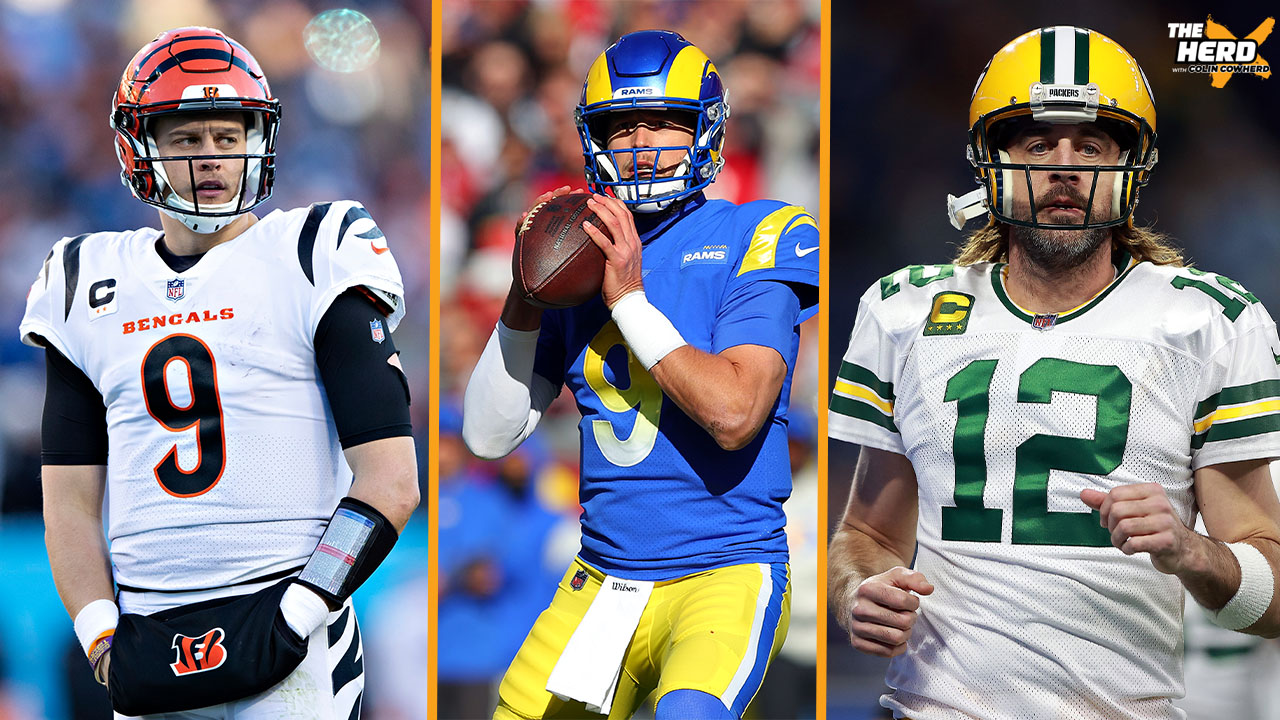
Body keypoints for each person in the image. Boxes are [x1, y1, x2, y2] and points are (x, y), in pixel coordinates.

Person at [827, 25, 1280, 720]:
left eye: (1091, 144)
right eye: (1038, 143)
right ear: (993, 163)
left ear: (1132, 165)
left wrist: (1192, 551)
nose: (1064, 166)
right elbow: (866, 537)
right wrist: (860, 590)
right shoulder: (903, 310)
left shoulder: (1209, 321)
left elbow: (1274, 595)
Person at [20, 27, 418, 718]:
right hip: (149, 636)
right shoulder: (84, 280)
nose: (211, 158)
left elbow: (391, 480)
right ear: (139, 148)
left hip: (292, 622)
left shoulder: (312, 251)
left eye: (227, 137)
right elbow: (70, 503)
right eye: (186, 139)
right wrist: (99, 638)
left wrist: (300, 609)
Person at [462, 29, 819, 720]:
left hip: (721, 569)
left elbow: (735, 412)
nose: (642, 142)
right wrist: (523, 295)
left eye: (664, 122)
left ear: (705, 131)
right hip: (602, 578)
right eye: (622, 125)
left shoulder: (761, 230)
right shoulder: (575, 256)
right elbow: (485, 434)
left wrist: (628, 300)